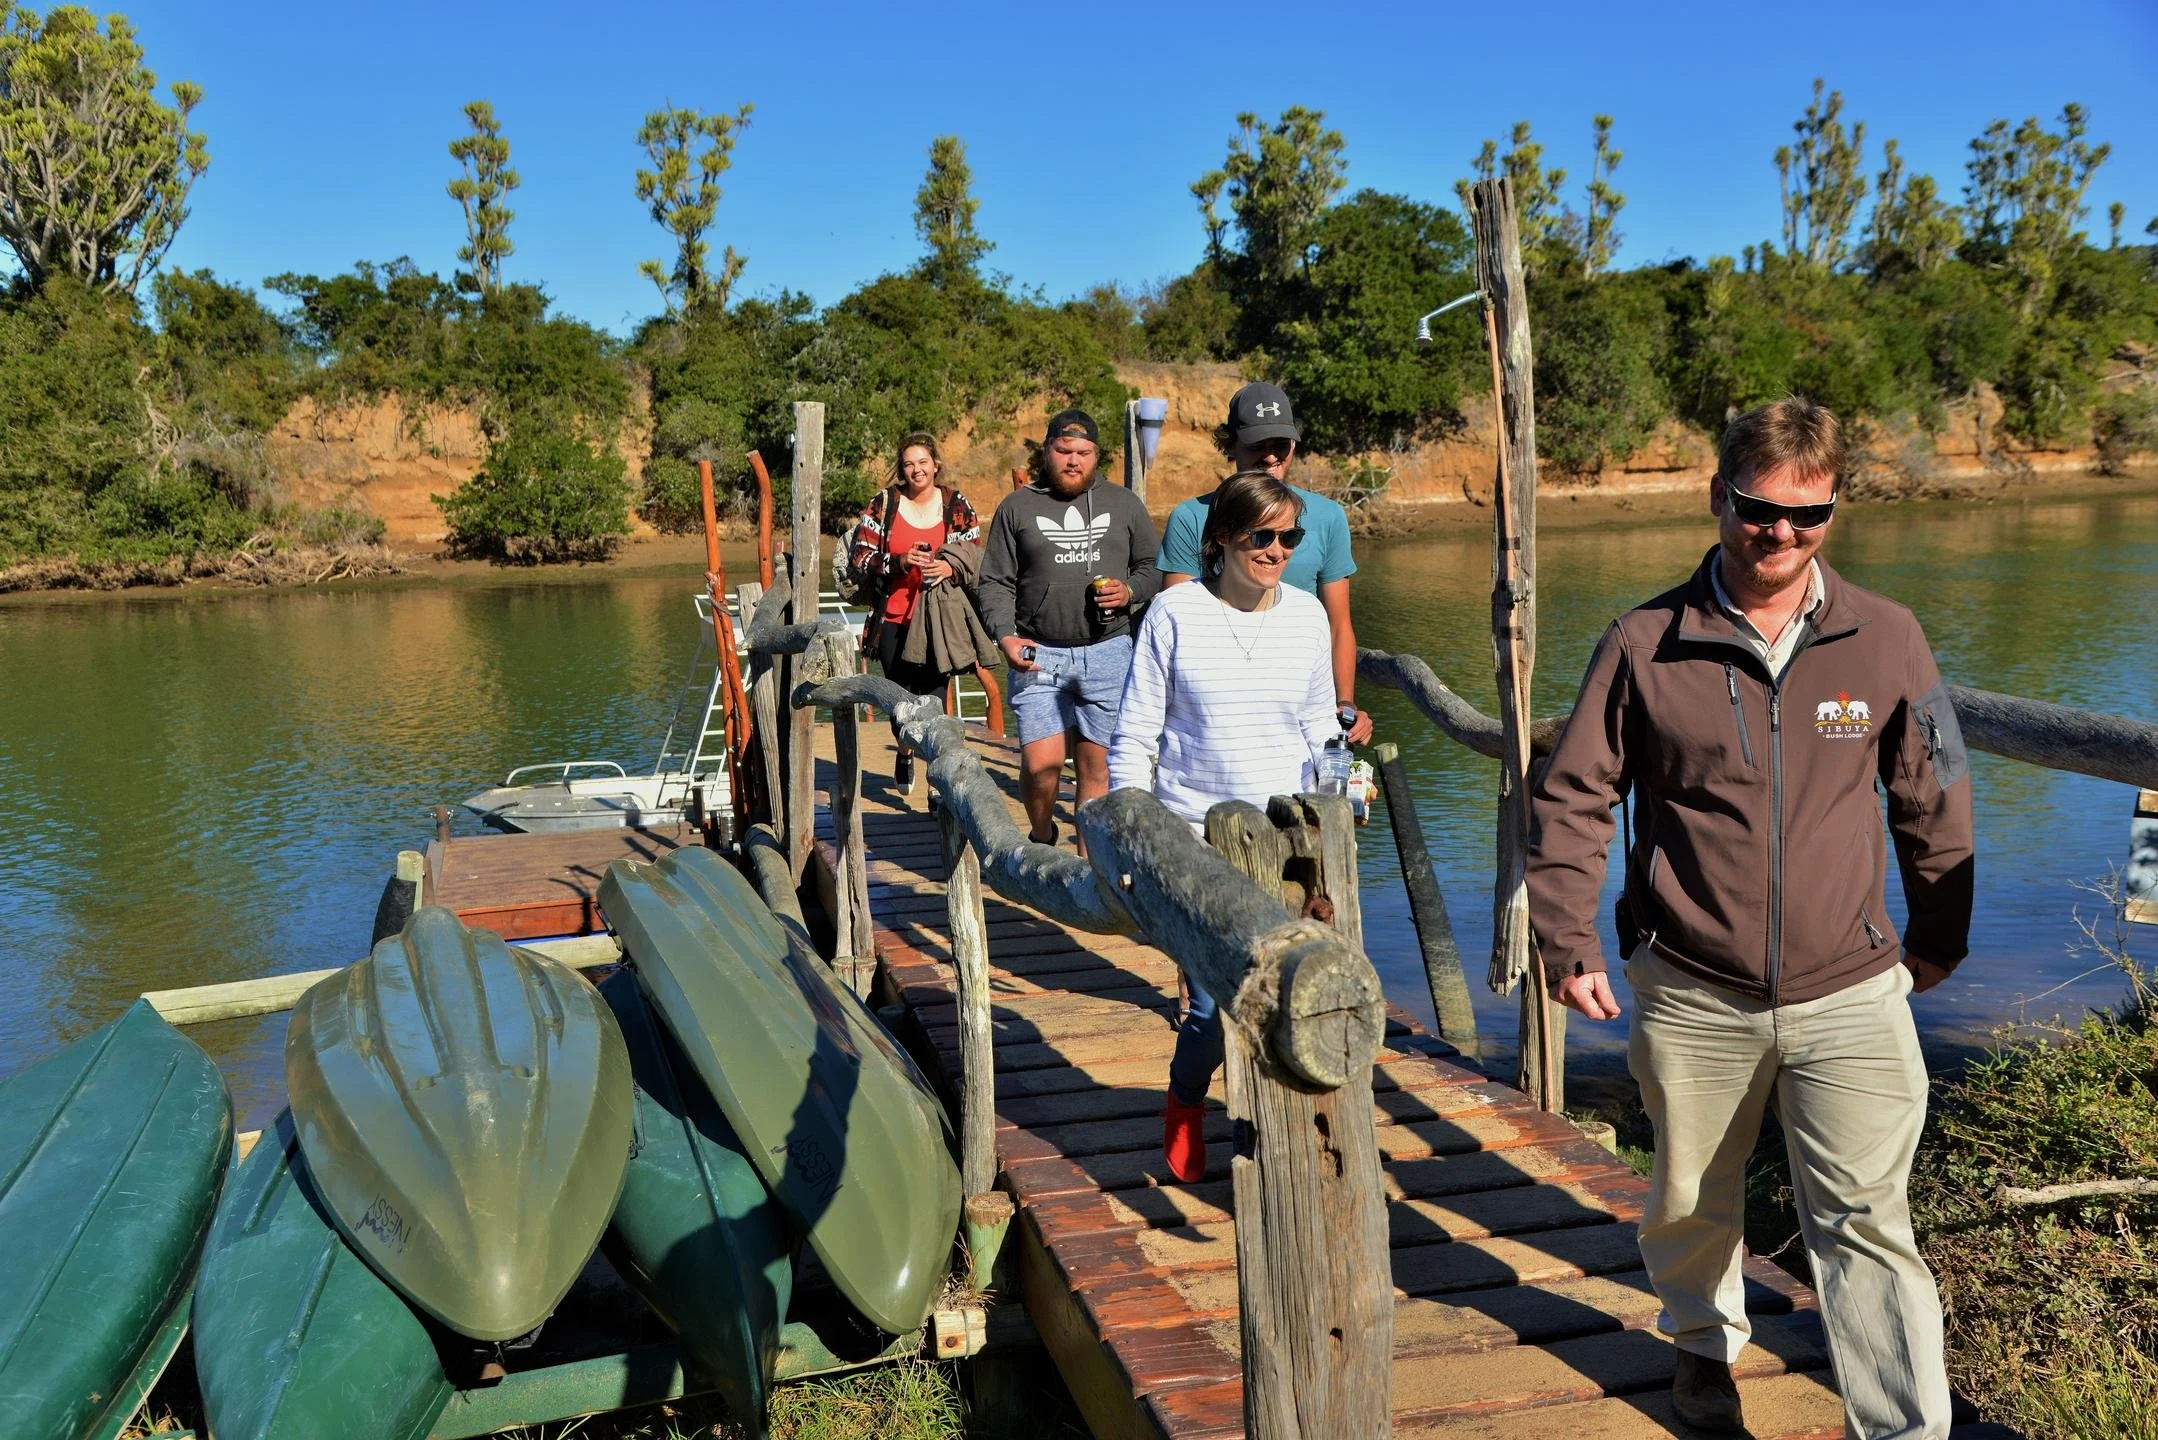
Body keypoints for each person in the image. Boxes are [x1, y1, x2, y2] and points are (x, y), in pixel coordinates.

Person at [1525, 397, 1973, 1439]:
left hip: (1853, 989)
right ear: (1714, 496)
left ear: (1833, 511)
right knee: (1688, 1200)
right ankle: (1702, 1347)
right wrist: (1566, 937)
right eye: (1754, 510)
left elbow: (1934, 792)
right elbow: (1573, 795)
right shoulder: (1644, 641)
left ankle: (1904, 1427)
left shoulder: (1887, 637)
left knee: (1868, 1222)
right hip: (1689, 986)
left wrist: (1937, 935)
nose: (1776, 535)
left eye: (1804, 517)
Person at [1107, 471, 1338, 1184]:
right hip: (1195, 834)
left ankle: (1287, 1144)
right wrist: (1129, 832)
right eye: (1260, 535)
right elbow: (1136, 732)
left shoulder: (1306, 616)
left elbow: (1317, 725)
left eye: (1289, 537)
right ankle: (1185, 1099)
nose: (1276, 550)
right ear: (1221, 541)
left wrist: (1331, 822)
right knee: (1213, 1006)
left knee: (1293, 993)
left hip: (1284, 837)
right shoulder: (1176, 614)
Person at [979, 409, 1160, 850]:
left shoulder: (1124, 504)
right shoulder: (1017, 506)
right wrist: (1005, 635)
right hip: (1038, 652)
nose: (1073, 460)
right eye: (1063, 451)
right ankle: (1042, 834)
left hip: (1110, 650)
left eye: (1083, 452)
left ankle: (1086, 867)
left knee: (1096, 770)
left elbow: (1154, 569)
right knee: (1042, 766)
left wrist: (1130, 591)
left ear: (1097, 456)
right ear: (1047, 452)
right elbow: (994, 582)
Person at [1157, 382, 1371, 743]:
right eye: (1258, 445)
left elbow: (1338, 625)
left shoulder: (1328, 517)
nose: (1271, 456)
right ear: (1231, 445)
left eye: (1280, 445)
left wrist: (1344, 703)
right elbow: (1176, 626)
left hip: (1298, 697)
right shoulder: (1190, 517)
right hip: (1215, 703)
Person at [844, 432, 983, 788]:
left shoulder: (956, 504)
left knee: (934, 703)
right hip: (893, 620)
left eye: (923, 462)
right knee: (901, 704)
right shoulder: (884, 503)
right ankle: (905, 752)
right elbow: (860, 556)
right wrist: (899, 561)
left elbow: (975, 554)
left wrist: (949, 567)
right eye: (908, 464)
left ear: (936, 464)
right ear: (901, 470)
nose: (916, 470)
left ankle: (938, 788)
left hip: (940, 620)